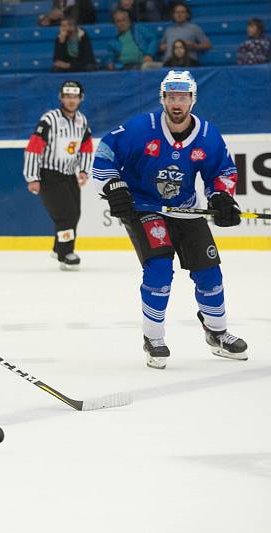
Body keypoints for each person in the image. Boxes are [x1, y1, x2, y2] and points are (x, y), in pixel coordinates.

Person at [93, 70, 248, 369]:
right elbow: (104, 153)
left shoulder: (207, 135)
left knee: (210, 273)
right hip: (145, 207)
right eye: (172, 97)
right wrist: (114, 184)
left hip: (185, 210)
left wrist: (221, 198)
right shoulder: (142, 128)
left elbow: (223, 171)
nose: (177, 103)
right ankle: (153, 337)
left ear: (192, 99)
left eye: (183, 97)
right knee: (160, 269)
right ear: (163, 98)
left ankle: (217, 332)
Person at [23, 80, 93, 270]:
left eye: (75, 96)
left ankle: (58, 248)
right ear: (61, 97)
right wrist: (33, 177)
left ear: (81, 98)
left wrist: (84, 170)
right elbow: (34, 148)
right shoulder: (49, 119)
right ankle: (65, 254)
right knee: (64, 215)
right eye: (68, 96)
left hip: (69, 174)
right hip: (49, 175)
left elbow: (86, 147)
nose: (71, 100)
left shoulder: (82, 121)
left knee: (75, 213)